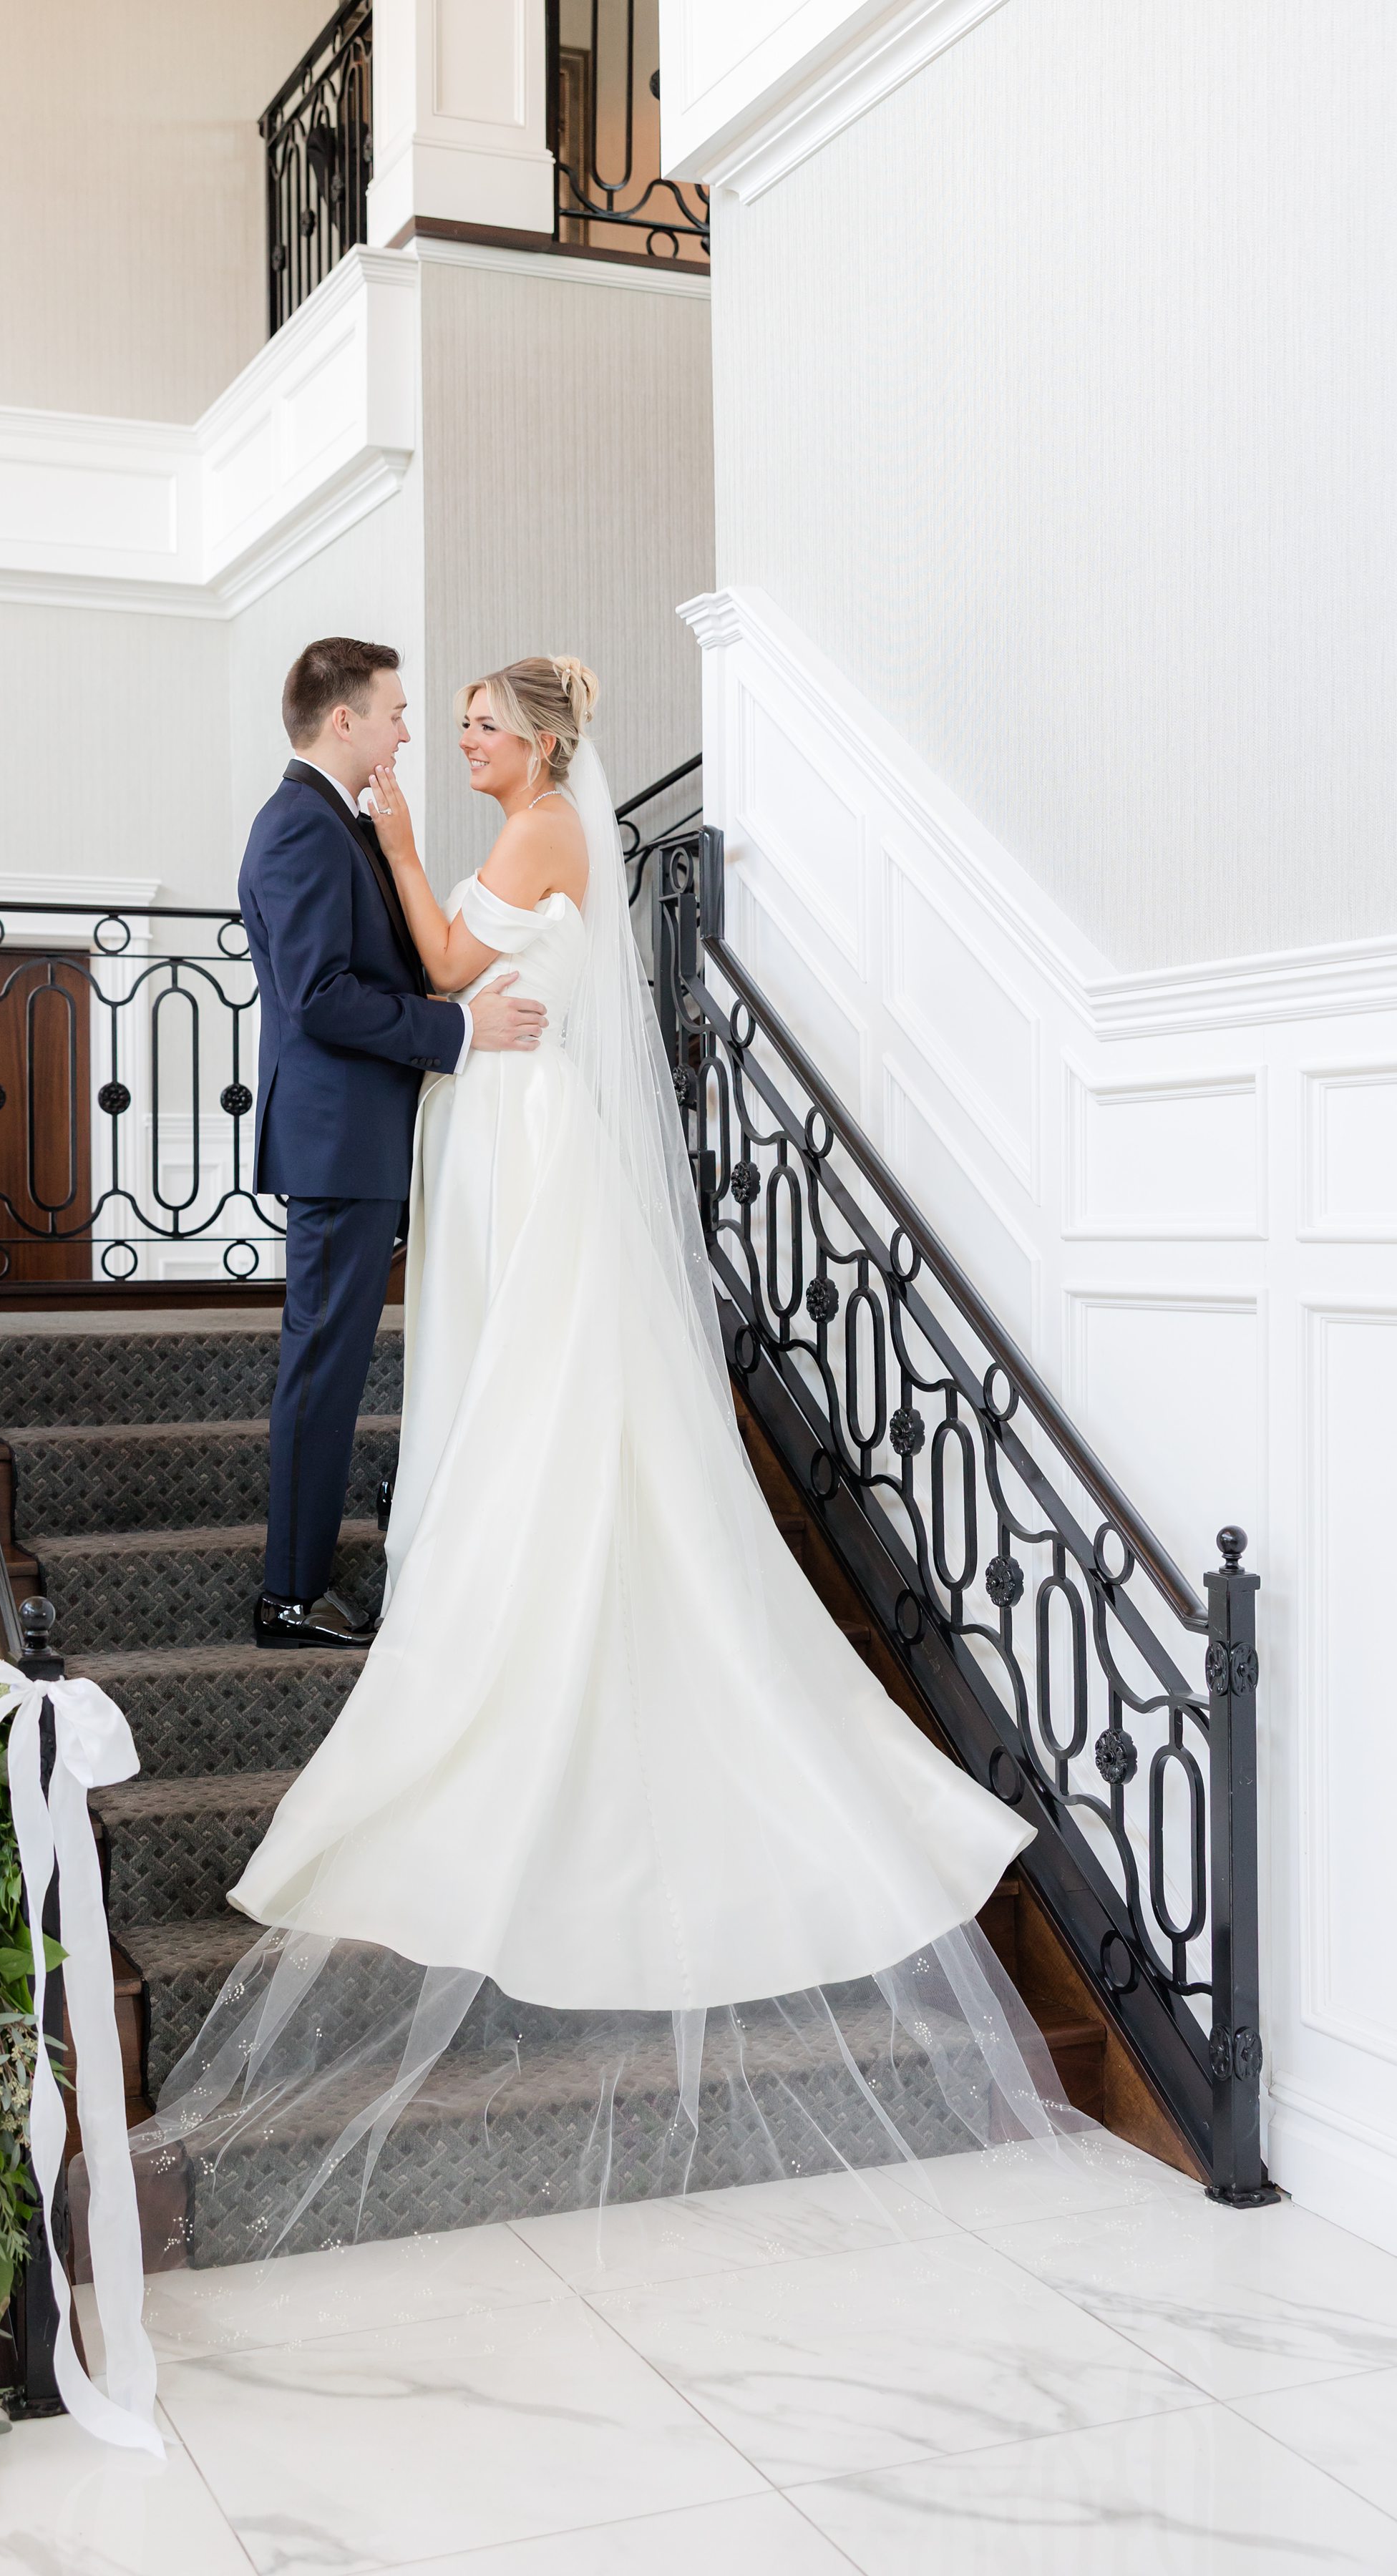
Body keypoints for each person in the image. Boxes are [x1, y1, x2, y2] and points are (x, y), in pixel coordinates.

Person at [126, 655, 1083, 2267]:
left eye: (481, 720)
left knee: (533, 1387)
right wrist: (431, 944)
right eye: (429, 717)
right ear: (346, 718)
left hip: (527, 1137)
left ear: (546, 743)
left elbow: (437, 953)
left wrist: (416, 861)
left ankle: (482, 1582)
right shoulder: (355, 826)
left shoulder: (549, 830)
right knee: (456, 1372)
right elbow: (407, 979)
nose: (451, 732)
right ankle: (335, 1578)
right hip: (480, 1119)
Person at [238, 638, 547, 1650]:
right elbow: (325, 999)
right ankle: (288, 1595)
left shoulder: (336, 821)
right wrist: (457, 1031)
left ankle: (311, 1570)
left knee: (334, 1360)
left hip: (361, 1138)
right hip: (337, 1143)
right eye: (398, 711)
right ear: (345, 721)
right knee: (323, 1367)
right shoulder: (300, 828)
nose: (411, 730)